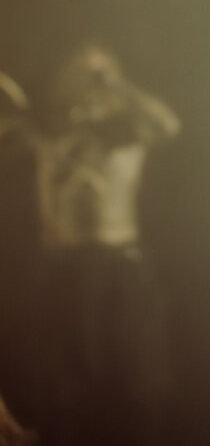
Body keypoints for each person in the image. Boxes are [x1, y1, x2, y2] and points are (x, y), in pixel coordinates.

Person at [7, 47, 179, 446]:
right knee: (65, 390)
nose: (88, 82)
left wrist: (115, 84)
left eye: (99, 74)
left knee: (134, 386)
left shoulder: (126, 133)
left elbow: (166, 124)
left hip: (118, 272)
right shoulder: (44, 135)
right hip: (61, 274)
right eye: (80, 73)